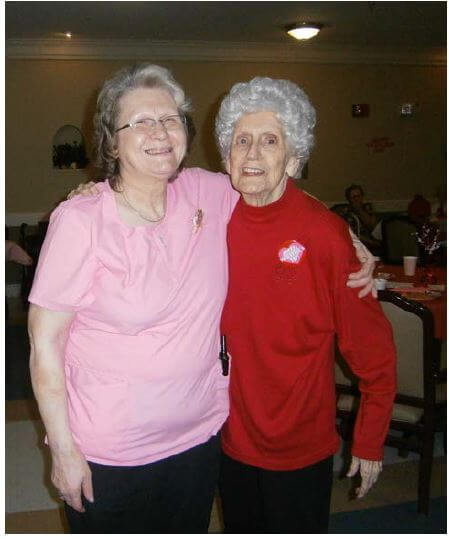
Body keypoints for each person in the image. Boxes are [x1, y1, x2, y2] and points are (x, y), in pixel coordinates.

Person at [28, 63, 375, 534]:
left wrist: (345, 240)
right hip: (111, 453)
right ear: (112, 141)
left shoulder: (207, 192)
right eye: (141, 122)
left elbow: (271, 184)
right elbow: (44, 345)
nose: (159, 132)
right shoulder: (82, 219)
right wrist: (64, 452)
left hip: (199, 440)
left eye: (170, 119)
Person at [215, 77, 397, 533]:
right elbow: (145, 193)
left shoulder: (325, 236)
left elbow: (374, 351)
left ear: (294, 158)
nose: (253, 154)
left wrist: (370, 438)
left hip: (299, 446)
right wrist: (89, 193)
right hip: (227, 436)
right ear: (226, 157)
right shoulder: (212, 218)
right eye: (242, 141)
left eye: (270, 140)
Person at [343, 183, 382, 254]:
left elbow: (373, 226)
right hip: (359, 245)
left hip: (374, 243)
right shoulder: (347, 212)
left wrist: (360, 210)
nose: (356, 199)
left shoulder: (368, 208)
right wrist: (373, 243)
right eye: (353, 197)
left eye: (358, 196)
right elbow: (354, 235)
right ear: (349, 199)